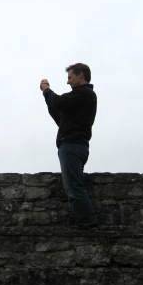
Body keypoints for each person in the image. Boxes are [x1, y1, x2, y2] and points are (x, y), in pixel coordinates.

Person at [40, 63, 98, 226]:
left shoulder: (84, 94)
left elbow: (58, 102)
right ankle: (82, 220)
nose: (68, 82)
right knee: (73, 185)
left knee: (74, 187)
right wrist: (47, 96)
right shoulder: (80, 99)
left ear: (81, 76)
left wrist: (46, 90)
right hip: (74, 145)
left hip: (72, 146)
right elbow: (59, 114)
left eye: (70, 77)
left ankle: (87, 222)